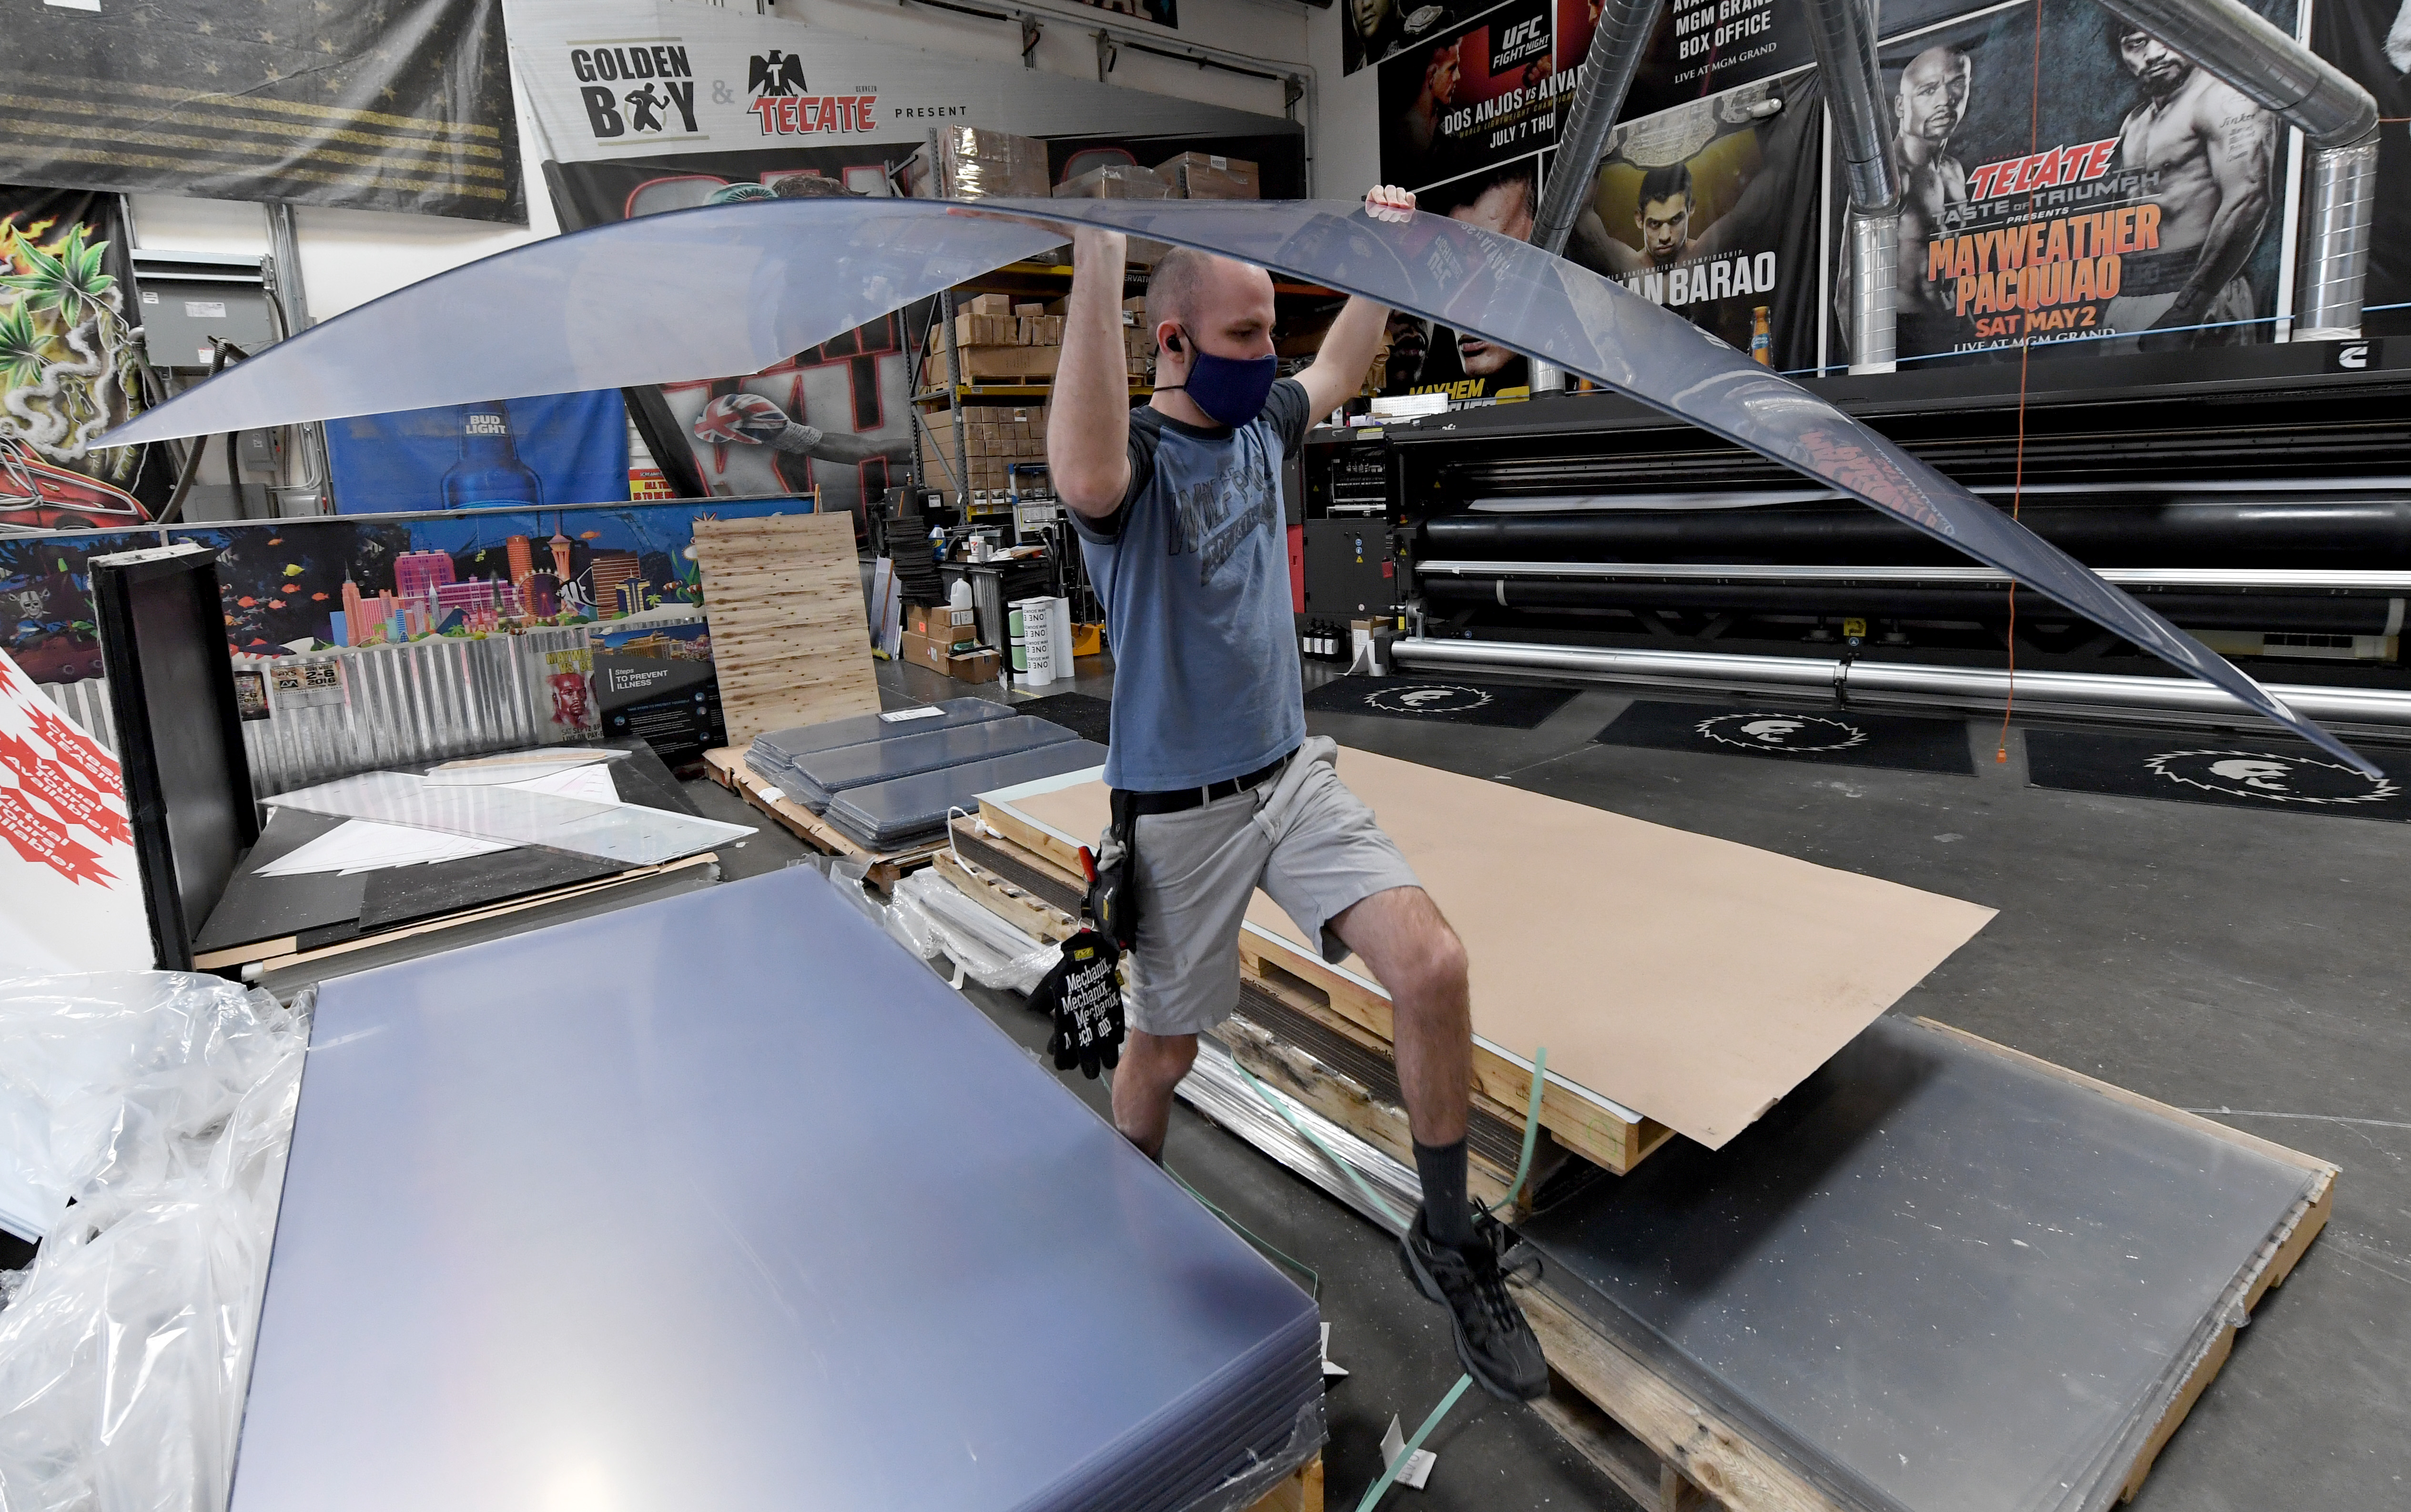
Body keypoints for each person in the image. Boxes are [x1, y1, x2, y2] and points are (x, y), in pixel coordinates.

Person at [1043, 186, 1550, 1404]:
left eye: (1264, 331)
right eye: (1234, 337)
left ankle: (1442, 1237)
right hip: (1179, 810)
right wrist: (1097, 260)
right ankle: (1133, 1241)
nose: (1261, 356)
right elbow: (1081, 460)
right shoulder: (1138, 468)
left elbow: (1336, 360)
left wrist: (1372, 255)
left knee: (1428, 966)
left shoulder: (1264, 423)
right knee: (1160, 1052)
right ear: (1166, 343)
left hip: (1287, 775)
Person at [2102, 21, 2275, 350]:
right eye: (2137, 44)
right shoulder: (2135, 122)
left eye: (2166, 37)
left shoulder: (2225, 99)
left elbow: (2250, 197)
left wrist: (2188, 309)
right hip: (2130, 298)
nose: (2154, 54)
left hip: (2197, 297)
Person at [1891, 45, 1974, 343]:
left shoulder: (1953, 171)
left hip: (1952, 326)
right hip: (1906, 336)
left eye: (1957, 86)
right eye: (1928, 91)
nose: (1946, 101)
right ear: (1901, 106)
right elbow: (1848, 291)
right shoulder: (1892, 176)